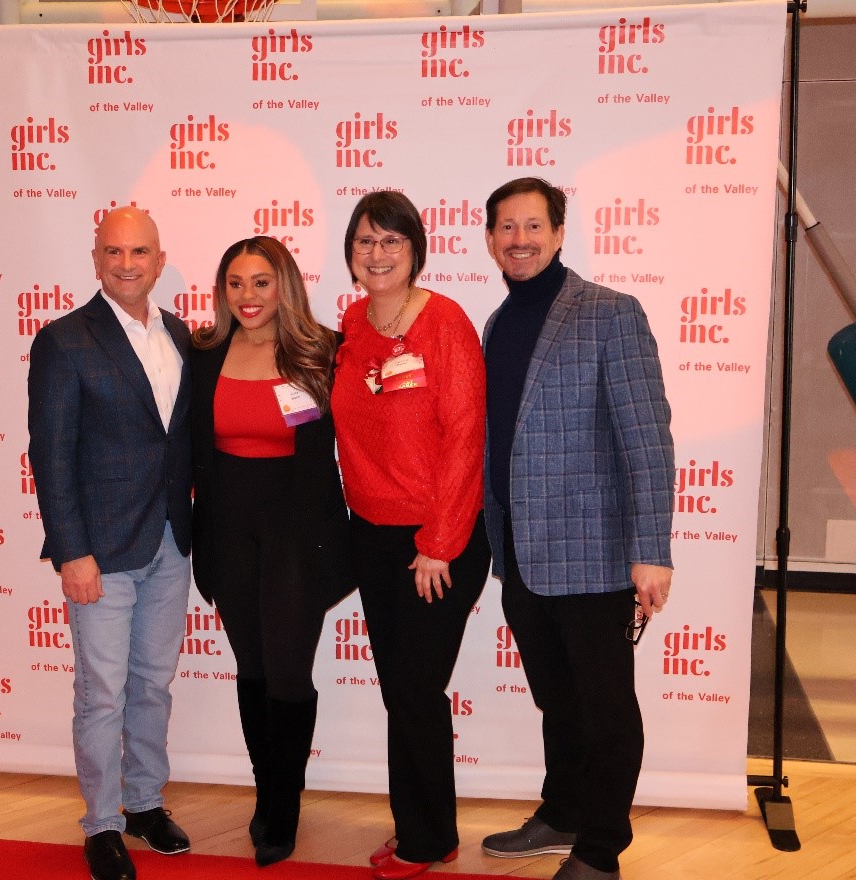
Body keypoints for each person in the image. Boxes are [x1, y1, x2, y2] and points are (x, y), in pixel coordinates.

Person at [477, 177, 675, 880]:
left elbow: (647, 438)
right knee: (555, 699)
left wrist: (651, 551)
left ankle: (601, 849)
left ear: (559, 233)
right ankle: (562, 813)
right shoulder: (499, 322)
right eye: (506, 227)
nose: (519, 240)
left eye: (532, 226)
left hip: (594, 552)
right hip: (523, 553)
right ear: (491, 237)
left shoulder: (610, 314)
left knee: (604, 705)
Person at [27, 207, 194, 880]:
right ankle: (101, 823)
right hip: (99, 548)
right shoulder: (65, 340)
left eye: (140, 252)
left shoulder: (180, 333)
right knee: (103, 692)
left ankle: (146, 803)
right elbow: (52, 454)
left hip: (171, 543)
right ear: (97, 260)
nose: (127, 264)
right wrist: (72, 551)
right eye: (115, 252)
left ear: (159, 260)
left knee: (154, 683)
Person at [330, 191, 491, 880]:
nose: (377, 253)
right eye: (366, 241)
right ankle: (419, 827)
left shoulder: (445, 321)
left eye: (391, 241)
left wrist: (440, 541)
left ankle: (428, 840)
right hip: (373, 536)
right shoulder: (353, 322)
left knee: (417, 689)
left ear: (416, 249)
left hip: (437, 542)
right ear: (351, 253)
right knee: (402, 689)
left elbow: (465, 438)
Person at [188, 236, 349, 867]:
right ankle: (267, 792)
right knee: (250, 670)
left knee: (286, 674)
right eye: (235, 282)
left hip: (297, 533)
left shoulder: (324, 351)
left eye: (261, 281)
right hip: (228, 531)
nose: (248, 296)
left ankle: (284, 806)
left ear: (285, 285)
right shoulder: (203, 353)